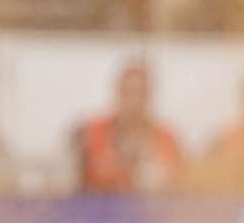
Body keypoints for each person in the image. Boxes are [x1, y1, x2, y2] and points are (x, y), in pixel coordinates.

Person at [77, 62, 183, 194]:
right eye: (127, 92)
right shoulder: (92, 134)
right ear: (118, 92)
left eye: (140, 93)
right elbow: (72, 185)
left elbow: (178, 188)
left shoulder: (167, 140)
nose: (134, 101)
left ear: (149, 96)